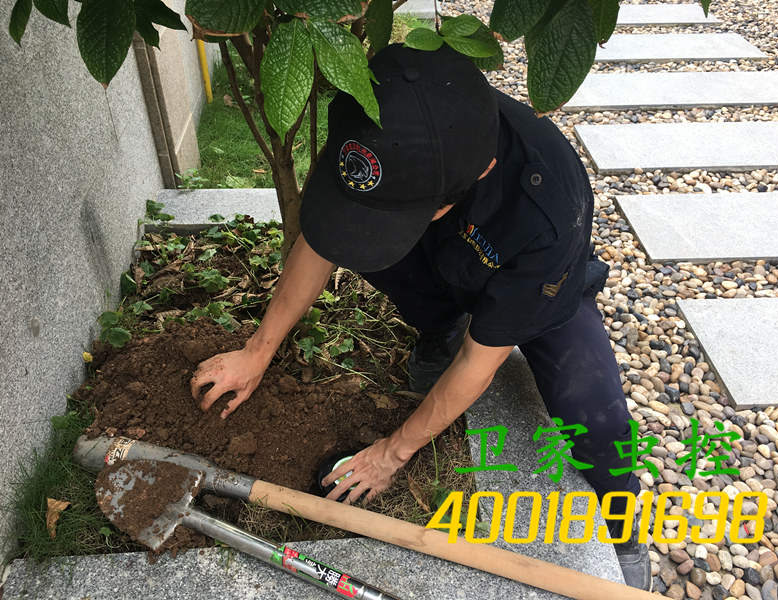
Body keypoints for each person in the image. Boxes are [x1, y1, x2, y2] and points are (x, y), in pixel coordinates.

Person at [190, 44, 650, 590]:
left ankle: (623, 525)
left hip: (531, 280)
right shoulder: (375, 129)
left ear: (479, 173)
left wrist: (391, 453)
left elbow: (484, 358)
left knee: (595, 415)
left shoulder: (545, 210)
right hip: (439, 253)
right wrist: (256, 351)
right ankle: (438, 329)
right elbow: (321, 241)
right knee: (376, 253)